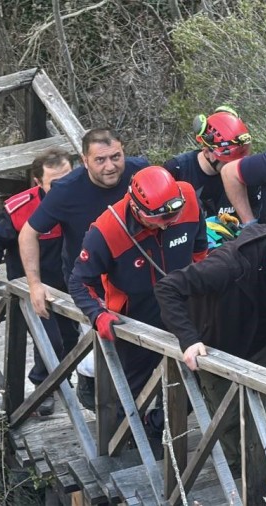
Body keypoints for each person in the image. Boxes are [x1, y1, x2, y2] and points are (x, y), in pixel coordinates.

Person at [155, 226, 266, 503]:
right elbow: (167, 288)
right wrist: (189, 339)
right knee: (228, 420)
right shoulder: (226, 266)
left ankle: (258, 471)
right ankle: (239, 468)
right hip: (221, 345)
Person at [68, 166, 207, 431]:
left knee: (198, 377)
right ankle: (125, 440)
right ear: (137, 208)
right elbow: (79, 281)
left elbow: (200, 248)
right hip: (135, 317)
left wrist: (205, 283)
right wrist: (98, 315)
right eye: (160, 218)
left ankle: (157, 428)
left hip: (184, 308)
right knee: (131, 392)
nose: (168, 222)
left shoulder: (188, 198)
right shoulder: (106, 231)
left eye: (173, 214)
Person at [0, 148, 76, 415]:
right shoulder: (21, 207)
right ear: (38, 182)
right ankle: (42, 388)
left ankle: (65, 381)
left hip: (70, 284)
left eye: (69, 177)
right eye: (56, 183)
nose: (65, 187)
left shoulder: (84, 196)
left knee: (71, 340)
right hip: (33, 286)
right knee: (49, 340)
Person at [19, 129, 149, 318]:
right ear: (85, 161)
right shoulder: (65, 191)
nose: (110, 166)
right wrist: (35, 284)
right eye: (100, 160)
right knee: (105, 340)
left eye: (116, 157)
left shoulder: (140, 171)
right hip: (90, 283)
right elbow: (28, 233)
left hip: (138, 271)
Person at [163, 106, 259, 218]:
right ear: (208, 152)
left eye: (240, 161)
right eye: (230, 163)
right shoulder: (176, 171)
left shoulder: (245, 174)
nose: (236, 168)